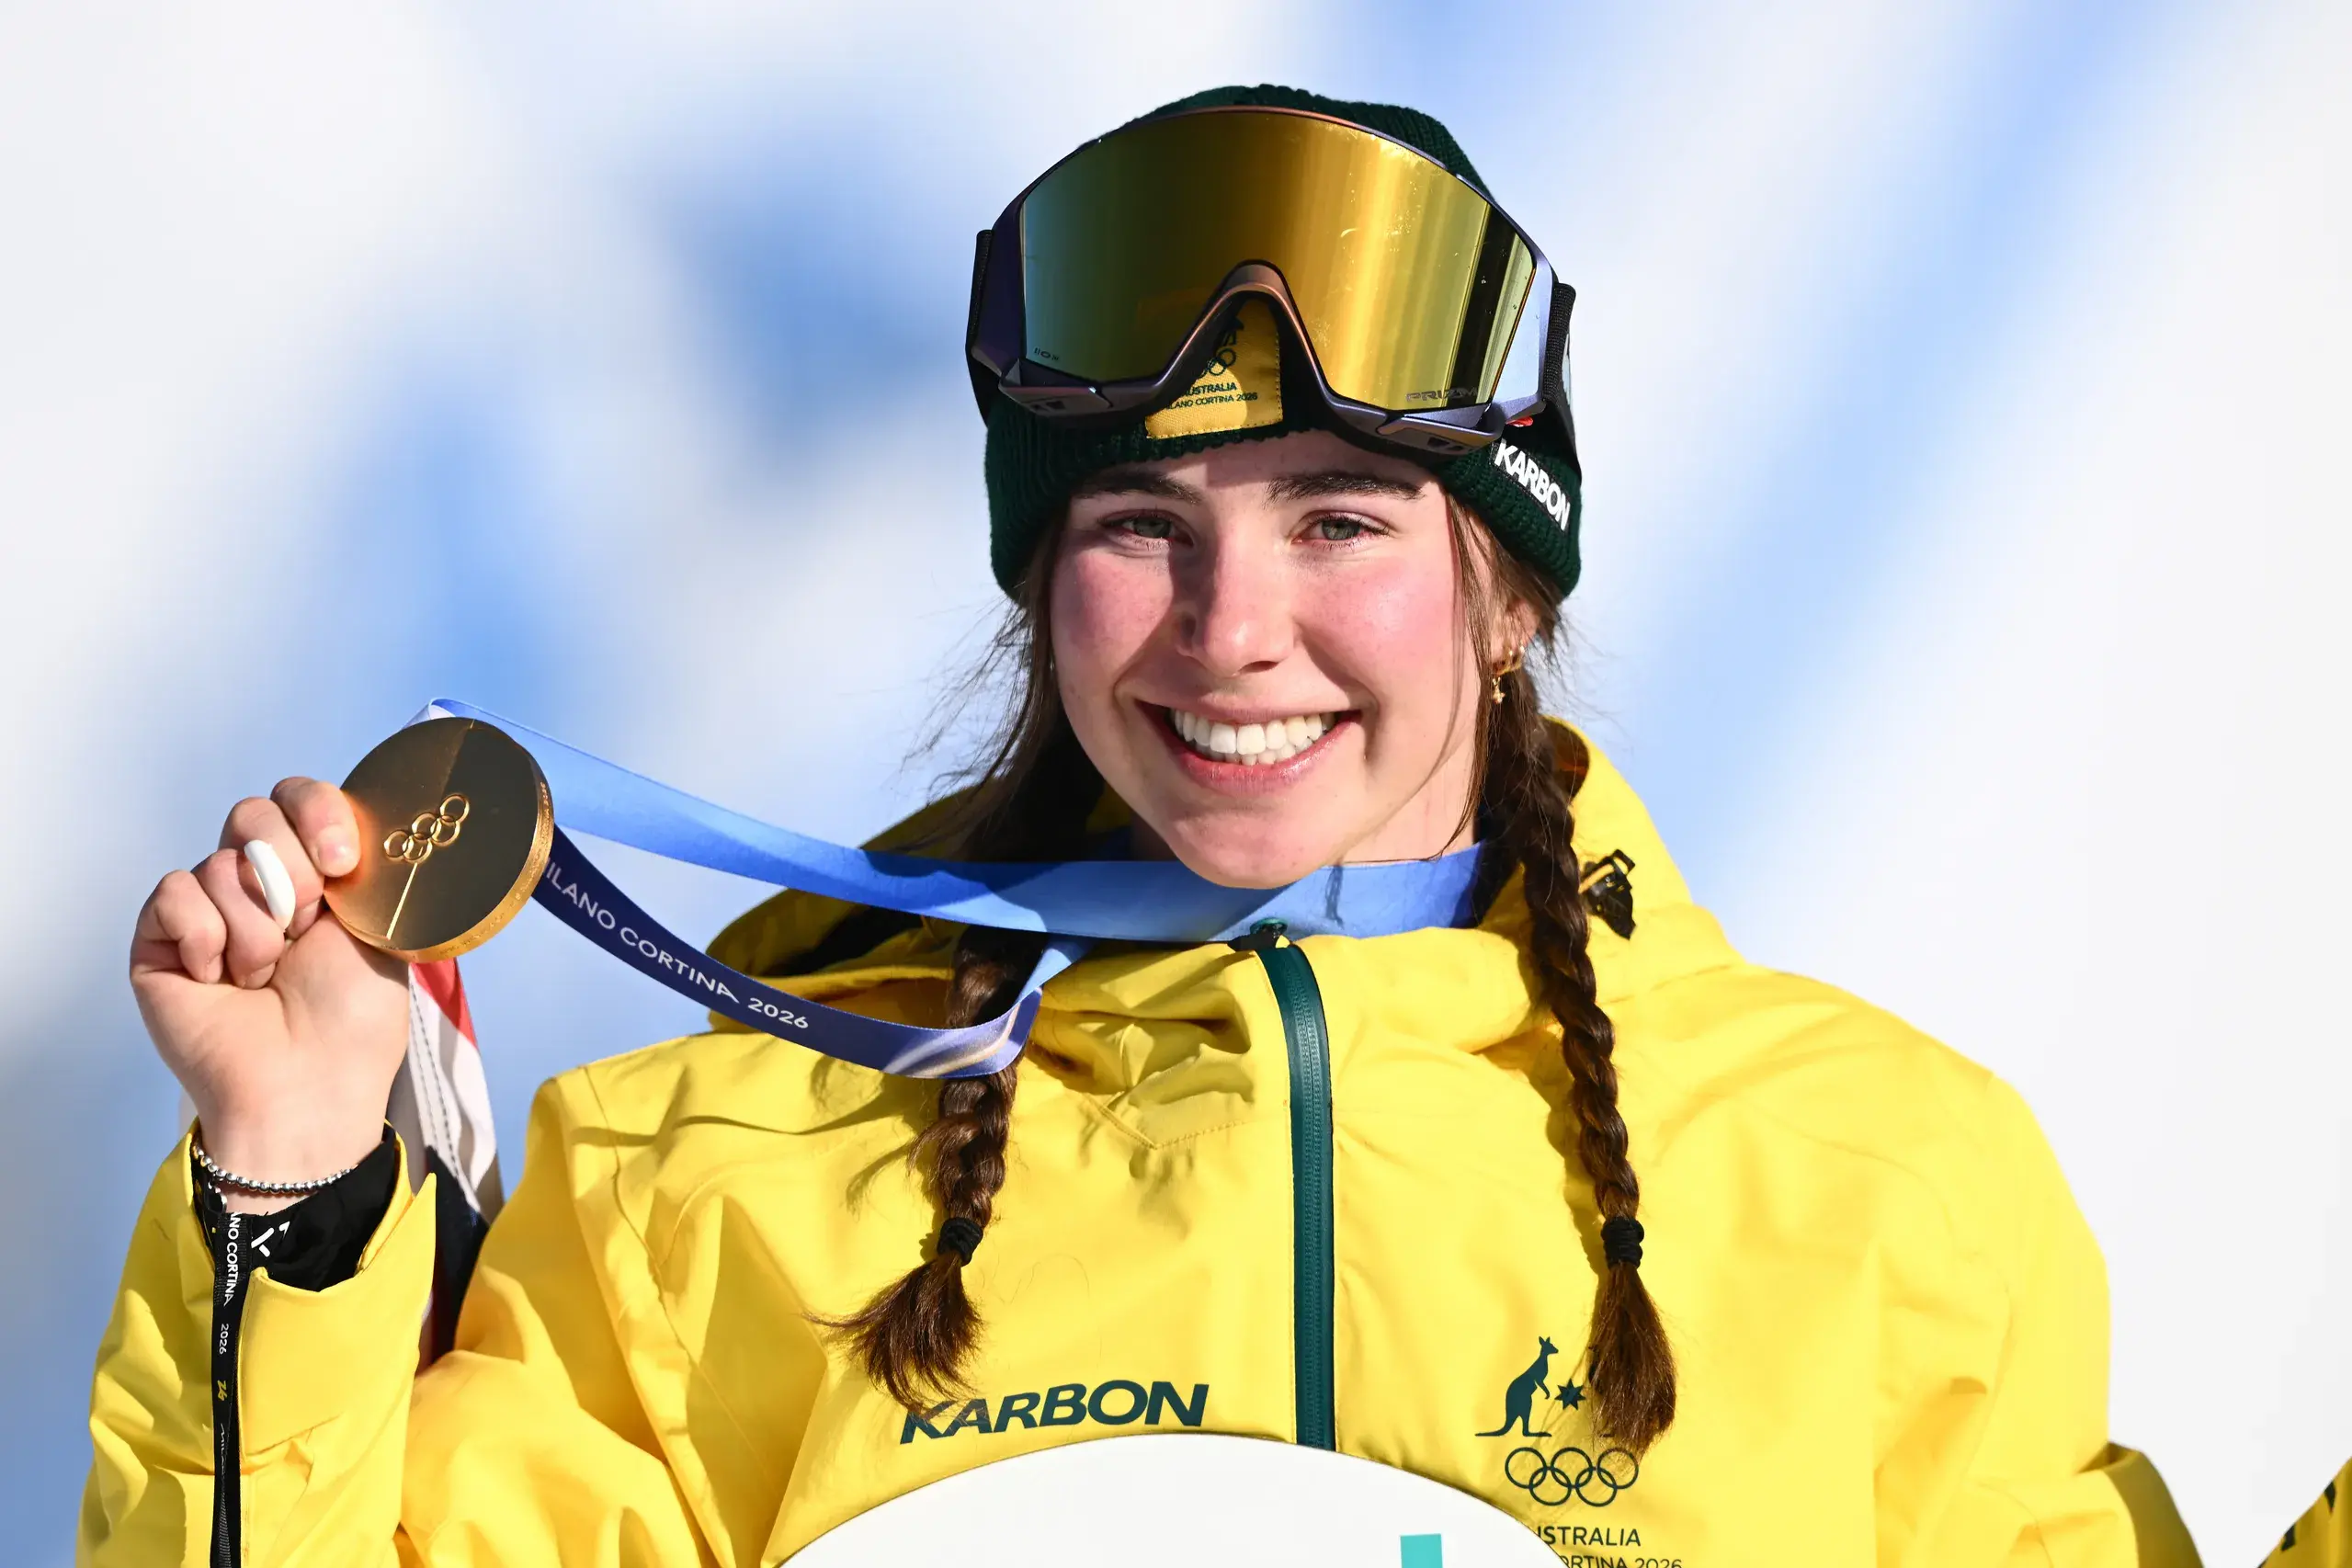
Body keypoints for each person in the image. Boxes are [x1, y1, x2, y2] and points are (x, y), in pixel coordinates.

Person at [84, 86, 2200, 1566]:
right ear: (1040, 579)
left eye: (1344, 518)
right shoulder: (705, 1184)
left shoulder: (1876, 1189)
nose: (1231, 629)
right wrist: (297, 1189)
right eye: (1135, 526)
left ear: (1513, 587)